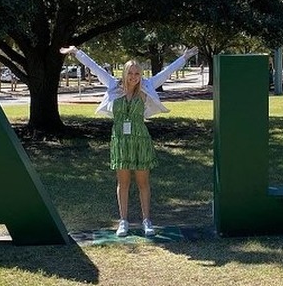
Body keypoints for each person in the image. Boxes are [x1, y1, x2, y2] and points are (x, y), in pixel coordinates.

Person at [60, 45, 198, 237]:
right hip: (119, 140)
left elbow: (166, 73)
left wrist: (183, 58)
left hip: (140, 139)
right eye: (130, 73)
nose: (134, 77)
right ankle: (123, 221)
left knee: (143, 182)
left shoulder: (146, 87)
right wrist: (76, 52)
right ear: (124, 73)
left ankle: (146, 221)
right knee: (123, 183)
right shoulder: (113, 86)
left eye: (137, 73)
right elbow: (95, 67)